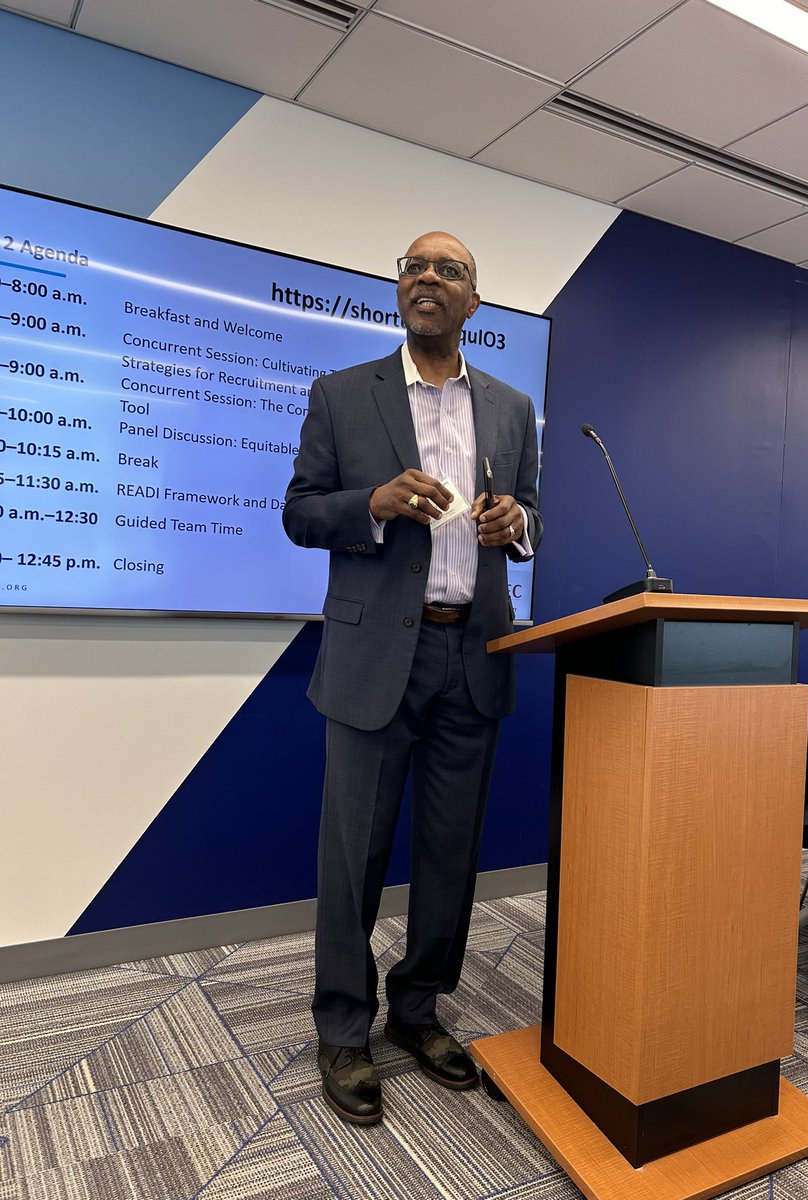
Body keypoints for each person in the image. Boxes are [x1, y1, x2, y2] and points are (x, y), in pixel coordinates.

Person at [282, 231, 542, 1125]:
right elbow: (300, 512)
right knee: (352, 856)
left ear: (474, 303)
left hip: (472, 655)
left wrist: (520, 522)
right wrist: (374, 504)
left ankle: (419, 1009)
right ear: (400, 293)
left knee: (450, 853)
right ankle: (345, 1030)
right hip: (371, 659)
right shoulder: (342, 395)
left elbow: (530, 514)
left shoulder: (511, 408)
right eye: (414, 267)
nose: (428, 278)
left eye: (451, 270)